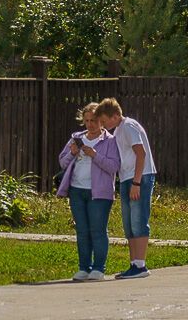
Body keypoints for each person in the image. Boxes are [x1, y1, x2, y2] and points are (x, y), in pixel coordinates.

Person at [58, 101, 120, 281]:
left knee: (98, 230)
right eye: (87, 120)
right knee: (82, 231)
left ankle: (99, 268)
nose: (90, 124)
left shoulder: (109, 141)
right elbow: (62, 162)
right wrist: (72, 152)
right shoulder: (76, 137)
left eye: (94, 120)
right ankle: (83, 267)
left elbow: (113, 166)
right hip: (77, 191)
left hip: (99, 193)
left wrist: (95, 155)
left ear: (101, 121)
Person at [95, 97, 155, 279]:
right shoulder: (119, 130)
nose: (103, 125)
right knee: (129, 223)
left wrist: (136, 183)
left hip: (140, 178)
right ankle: (133, 264)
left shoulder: (129, 126)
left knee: (138, 220)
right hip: (127, 177)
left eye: (104, 121)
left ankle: (141, 265)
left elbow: (141, 153)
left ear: (114, 116)